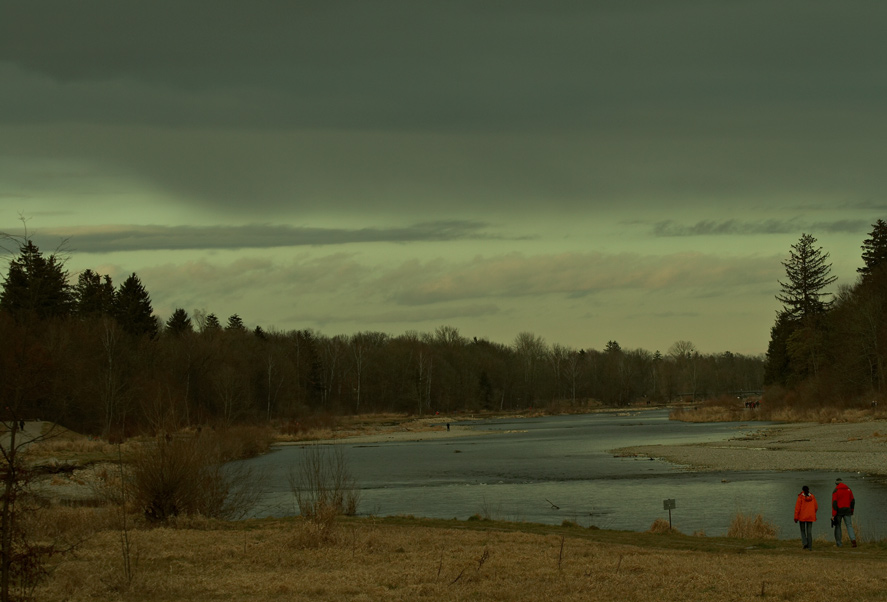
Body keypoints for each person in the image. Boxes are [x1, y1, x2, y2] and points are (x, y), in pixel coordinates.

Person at [832, 478, 856, 547]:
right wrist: (851, 510)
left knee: (838, 526)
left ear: (836, 484)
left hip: (839, 511)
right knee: (849, 525)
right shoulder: (849, 490)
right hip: (847, 510)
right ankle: (853, 540)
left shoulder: (835, 491)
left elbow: (834, 503)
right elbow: (852, 501)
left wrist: (833, 514)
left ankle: (839, 543)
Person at [794, 485, 817, 550]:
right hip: (810, 516)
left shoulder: (800, 497)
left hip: (802, 516)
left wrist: (796, 517)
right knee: (809, 532)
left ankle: (805, 543)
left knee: (802, 530)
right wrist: (813, 513)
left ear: (803, 490)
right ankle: (810, 546)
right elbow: (816, 507)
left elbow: (797, 508)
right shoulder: (812, 497)